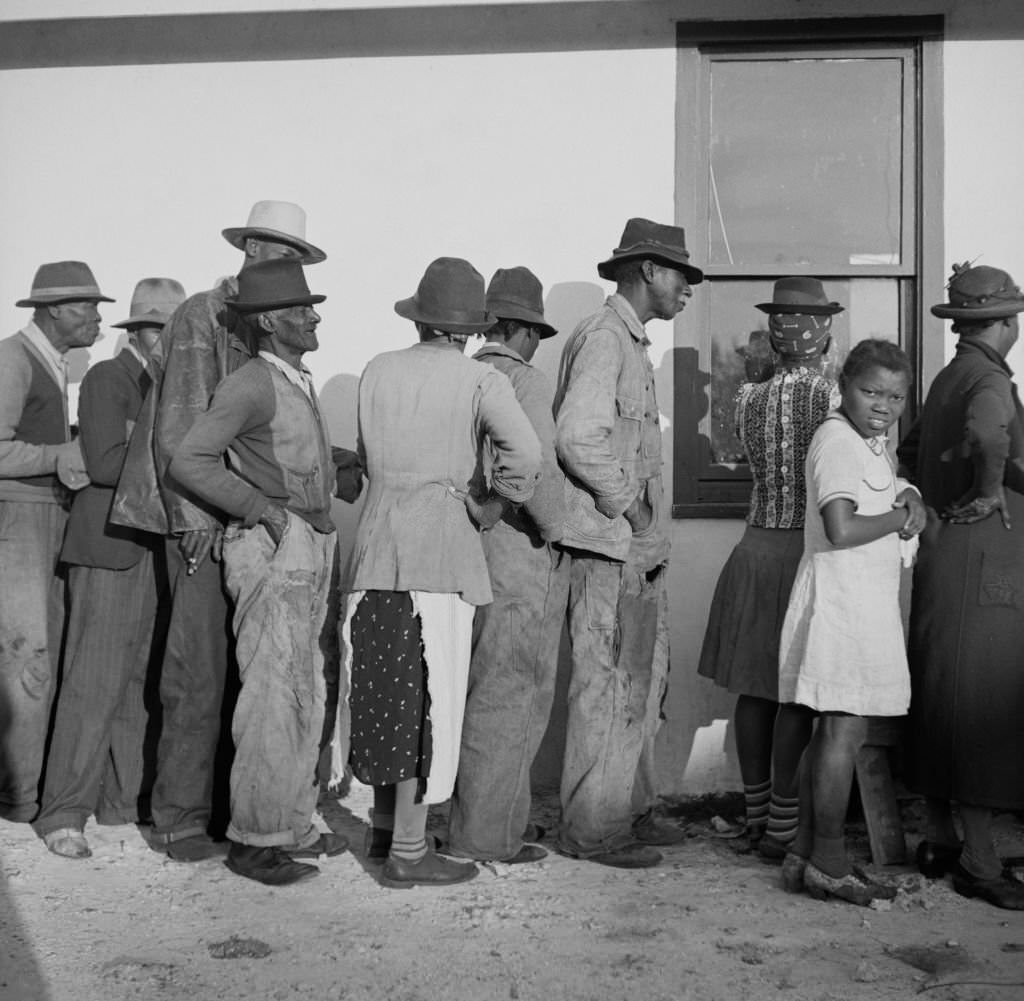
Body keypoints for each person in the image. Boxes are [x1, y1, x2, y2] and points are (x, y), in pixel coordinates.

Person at [110, 200, 328, 862]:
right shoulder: (203, 315)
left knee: (255, 677)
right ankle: (180, 817)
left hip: (240, 515)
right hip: (202, 516)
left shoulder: (269, 333)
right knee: (198, 668)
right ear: (255, 247)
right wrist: (200, 517)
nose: (294, 269)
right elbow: (181, 422)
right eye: (286, 252)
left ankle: (246, 815)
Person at [344, 257, 541, 888]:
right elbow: (526, 452)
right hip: (440, 559)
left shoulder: (377, 370)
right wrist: (492, 504)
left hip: (374, 550)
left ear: (422, 318)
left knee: (381, 692)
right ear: (469, 327)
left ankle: (381, 833)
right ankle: (408, 850)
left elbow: (372, 458)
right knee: (428, 703)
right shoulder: (480, 380)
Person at [169, 258, 352, 886]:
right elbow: (189, 459)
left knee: (305, 689)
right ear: (271, 320)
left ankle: (290, 826)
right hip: (273, 550)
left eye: (312, 305)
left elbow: (287, 453)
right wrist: (261, 509)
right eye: (302, 309)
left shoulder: (293, 376)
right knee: (273, 695)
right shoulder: (250, 382)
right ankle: (253, 843)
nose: (314, 315)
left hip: (306, 545)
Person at [553, 218, 700, 868]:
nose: (687, 289)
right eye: (679, 275)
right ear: (645, 271)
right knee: (608, 685)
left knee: (637, 683)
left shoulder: (629, 343)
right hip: (610, 551)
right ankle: (591, 831)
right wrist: (633, 508)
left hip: (634, 556)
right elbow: (576, 435)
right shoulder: (606, 340)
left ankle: (626, 812)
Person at [33, 278, 186, 858]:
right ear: (145, 331)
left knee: (137, 682)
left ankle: (120, 803)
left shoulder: (159, 383)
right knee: (91, 682)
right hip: (107, 546)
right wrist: (175, 452)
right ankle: (62, 815)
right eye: (167, 331)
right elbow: (102, 462)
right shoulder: (106, 378)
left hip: (147, 547)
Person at [777, 339, 925, 905]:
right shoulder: (838, 441)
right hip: (843, 603)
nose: (884, 405)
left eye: (896, 395)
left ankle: (806, 855)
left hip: (862, 600)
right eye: (871, 392)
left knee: (838, 728)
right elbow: (840, 527)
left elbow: (886, 481)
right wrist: (899, 517)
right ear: (843, 386)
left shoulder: (870, 441)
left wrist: (906, 492)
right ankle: (831, 861)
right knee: (842, 729)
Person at [698, 277, 840, 860]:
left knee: (755, 691)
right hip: (801, 550)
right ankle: (784, 826)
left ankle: (756, 816)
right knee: (794, 696)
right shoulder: (830, 399)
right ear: (822, 334)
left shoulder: (748, 398)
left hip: (753, 547)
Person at [899, 262, 1024, 910]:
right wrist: (987, 490)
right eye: (1014, 320)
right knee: (979, 702)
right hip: (983, 562)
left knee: (944, 697)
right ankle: (980, 859)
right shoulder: (989, 377)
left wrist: (933, 502)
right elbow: (987, 433)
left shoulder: (949, 375)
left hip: (943, 555)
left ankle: (942, 838)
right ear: (1001, 324)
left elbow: (912, 449)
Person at [447, 267, 569, 865]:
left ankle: (493, 819)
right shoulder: (527, 383)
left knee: (469, 687)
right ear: (521, 330)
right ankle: (486, 836)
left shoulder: (457, 375)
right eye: (536, 334)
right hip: (516, 550)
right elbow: (536, 471)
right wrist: (557, 531)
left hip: (459, 548)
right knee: (511, 693)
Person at [0, 261, 107, 822]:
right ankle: (16, 796)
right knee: (26, 653)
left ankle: (25, 788)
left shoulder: (51, 361)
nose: (96, 318)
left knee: (38, 650)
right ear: (55, 310)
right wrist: (60, 456)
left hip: (45, 515)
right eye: (87, 307)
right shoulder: (12, 358)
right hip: (20, 520)